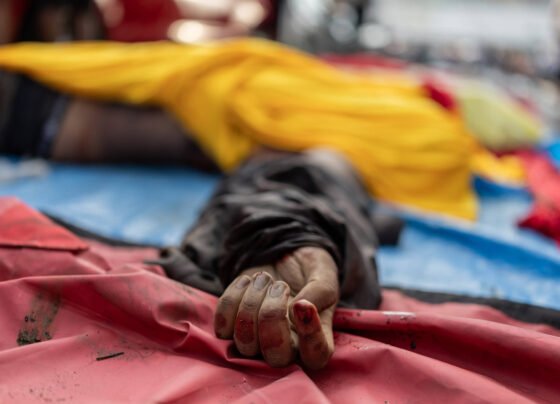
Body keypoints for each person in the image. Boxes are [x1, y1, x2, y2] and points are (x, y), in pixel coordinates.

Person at [0, 0, 402, 370]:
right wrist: (284, 233)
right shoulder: (379, 129)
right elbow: (310, 166)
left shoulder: (366, 123)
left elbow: (306, 167)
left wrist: (284, 234)